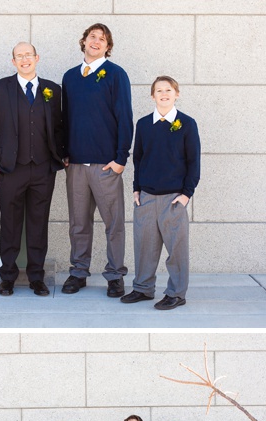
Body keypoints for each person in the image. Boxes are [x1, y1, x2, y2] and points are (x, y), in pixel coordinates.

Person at [0, 42, 64, 298]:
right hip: (10, 169)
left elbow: (60, 127)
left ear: (37, 58)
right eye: (19, 56)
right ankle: (7, 278)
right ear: (13, 61)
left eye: (28, 55)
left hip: (43, 169)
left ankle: (36, 278)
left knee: (39, 224)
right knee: (10, 224)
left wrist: (60, 157)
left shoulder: (53, 90)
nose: (24, 59)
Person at [61, 23, 133, 298]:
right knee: (78, 223)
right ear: (84, 41)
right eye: (93, 36)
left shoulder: (115, 75)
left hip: (106, 165)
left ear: (108, 46)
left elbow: (124, 118)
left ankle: (115, 275)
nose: (97, 41)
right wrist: (64, 151)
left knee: (113, 223)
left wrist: (120, 159)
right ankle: (78, 272)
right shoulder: (70, 77)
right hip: (77, 164)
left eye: (102, 39)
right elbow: (65, 118)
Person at [122, 76, 201, 310]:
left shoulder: (187, 124)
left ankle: (176, 293)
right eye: (159, 90)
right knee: (144, 247)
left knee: (176, 249)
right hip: (146, 197)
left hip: (173, 198)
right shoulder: (144, 124)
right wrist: (136, 188)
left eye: (168, 90)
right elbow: (138, 158)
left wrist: (186, 194)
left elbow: (193, 161)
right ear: (152, 95)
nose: (163, 94)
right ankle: (143, 288)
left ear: (177, 94)